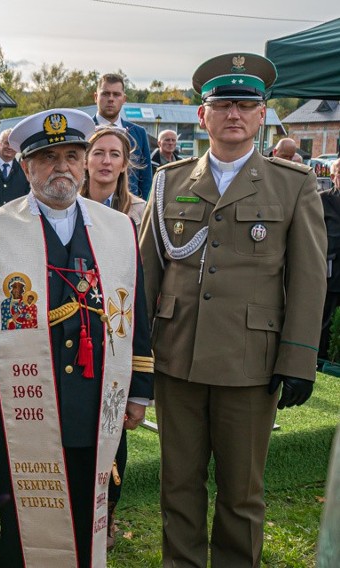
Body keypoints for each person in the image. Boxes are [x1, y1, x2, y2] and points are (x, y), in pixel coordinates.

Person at [139, 53, 327, 568]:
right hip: (177, 358)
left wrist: (298, 359)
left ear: (263, 114)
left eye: (247, 104)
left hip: (251, 362)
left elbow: (309, 280)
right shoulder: (168, 181)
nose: (234, 114)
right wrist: (138, 359)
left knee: (242, 494)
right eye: (223, 105)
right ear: (203, 115)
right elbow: (145, 276)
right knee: (178, 485)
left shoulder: (293, 184)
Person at [0, 108, 153, 567]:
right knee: (21, 520)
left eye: (71, 155)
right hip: (19, 404)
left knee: (93, 509)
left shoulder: (119, 229)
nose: (60, 166)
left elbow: (135, 315)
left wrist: (140, 388)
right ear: (25, 166)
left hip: (97, 398)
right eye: (46, 157)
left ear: (84, 163)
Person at [79, 125, 147, 550]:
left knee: (112, 428)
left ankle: (107, 515)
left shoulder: (138, 213)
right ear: (86, 159)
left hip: (118, 334)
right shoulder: (67, 204)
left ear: (125, 164)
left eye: (114, 154)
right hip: (75, 333)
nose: (106, 161)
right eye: (98, 152)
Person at [92, 74, 153, 199]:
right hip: (90, 206)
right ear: (96, 97)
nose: (111, 99)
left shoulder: (138, 133)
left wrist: (143, 208)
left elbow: (146, 179)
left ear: (124, 99)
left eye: (116, 94)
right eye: (105, 94)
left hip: (130, 207)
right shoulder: (83, 130)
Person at [319, 157, 340, 360]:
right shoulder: (322, 199)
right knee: (325, 319)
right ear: (333, 177)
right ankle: (322, 357)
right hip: (330, 270)